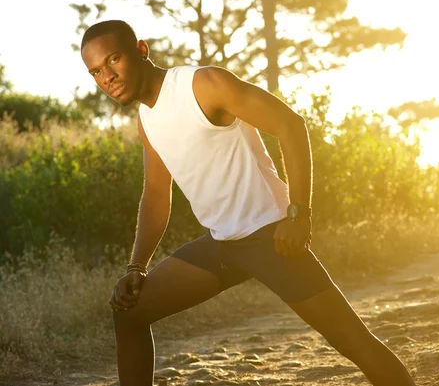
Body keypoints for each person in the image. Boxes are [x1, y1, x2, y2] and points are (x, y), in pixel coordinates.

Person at [80, 20, 417, 386]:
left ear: (141, 50)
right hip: (222, 244)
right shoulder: (148, 118)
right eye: (96, 71)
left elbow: (291, 125)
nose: (107, 76)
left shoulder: (203, 84)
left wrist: (298, 214)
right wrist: (136, 267)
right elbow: (158, 195)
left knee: (350, 340)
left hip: (271, 236)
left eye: (114, 59)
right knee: (130, 314)